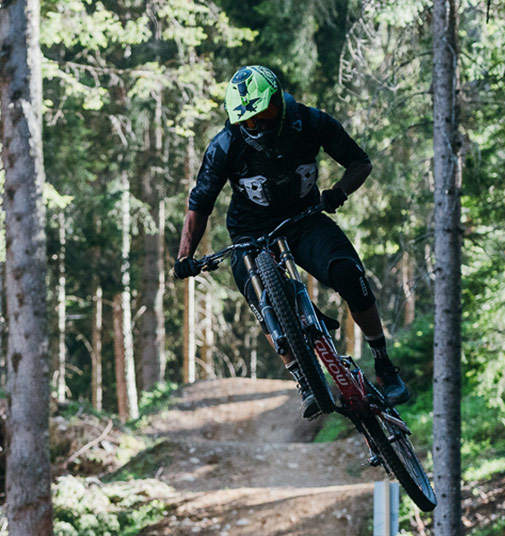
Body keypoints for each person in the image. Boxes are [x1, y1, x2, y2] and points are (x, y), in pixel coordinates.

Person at [172, 65, 409, 418]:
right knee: (264, 300)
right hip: (249, 233)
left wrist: (339, 193)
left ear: (279, 103)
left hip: (305, 219)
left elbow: (360, 162)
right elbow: (199, 204)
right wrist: (185, 257)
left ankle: (384, 364)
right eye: (250, 122)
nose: (260, 126)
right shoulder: (225, 145)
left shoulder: (311, 122)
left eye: (265, 114)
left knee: (347, 272)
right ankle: (305, 381)